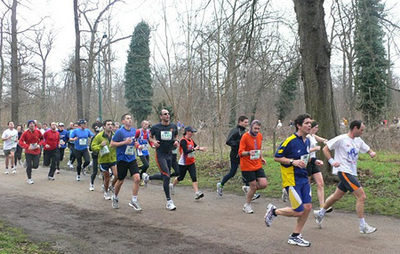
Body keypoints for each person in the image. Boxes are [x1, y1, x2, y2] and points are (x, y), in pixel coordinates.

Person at [265, 113, 323, 247]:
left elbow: (305, 156)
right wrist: (292, 161)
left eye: (310, 123)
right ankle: (274, 211)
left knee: (307, 207)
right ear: (298, 125)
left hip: (304, 178)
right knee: (299, 210)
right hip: (291, 179)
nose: (309, 125)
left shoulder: (307, 140)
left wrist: (314, 160)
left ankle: (295, 236)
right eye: (306, 123)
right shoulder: (290, 141)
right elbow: (277, 157)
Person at [314, 120, 377, 234]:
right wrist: (332, 161)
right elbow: (325, 148)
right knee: (361, 196)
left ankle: (320, 213)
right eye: (361, 130)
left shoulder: (358, 141)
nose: (362, 132)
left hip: (351, 172)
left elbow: (367, 148)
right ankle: (362, 226)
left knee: (337, 196)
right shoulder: (341, 139)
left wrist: (371, 153)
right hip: (343, 171)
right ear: (355, 128)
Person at [217, 116, 259, 200]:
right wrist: (239, 143)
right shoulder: (235, 131)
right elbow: (228, 141)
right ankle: (220, 184)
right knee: (232, 172)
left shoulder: (245, 132)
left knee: (246, 171)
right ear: (240, 122)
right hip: (235, 155)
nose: (247, 124)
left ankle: (248, 190)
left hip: (244, 155)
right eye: (245, 122)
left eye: (247, 122)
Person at [145, 109, 179, 211]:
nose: (167, 115)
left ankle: (148, 177)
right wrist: (154, 141)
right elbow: (149, 137)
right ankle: (169, 201)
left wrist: (176, 141)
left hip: (170, 154)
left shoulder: (173, 126)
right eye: (165, 114)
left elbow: (176, 135)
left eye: (168, 114)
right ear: (161, 116)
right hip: (160, 154)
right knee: (166, 175)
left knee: (166, 175)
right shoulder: (156, 127)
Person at [110, 113, 142, 211]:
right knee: (120, 180)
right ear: (123, 121)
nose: (130, 120)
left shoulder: (134, 131)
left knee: (137, 178)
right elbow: (112, 144)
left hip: (132, 158)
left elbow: (135, 141)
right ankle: (115, 197)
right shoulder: (119, 132)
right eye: (127, 118)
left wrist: (137, 145)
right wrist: (124, 142)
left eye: (130, 118)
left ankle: (134, 200)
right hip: (122, 159)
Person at [238, 120, 268, 214]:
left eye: (258, 129)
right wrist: (248, 153)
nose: (256, 131)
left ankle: (249, 190)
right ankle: (247, 205)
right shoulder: (245, 137)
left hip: (257, 164)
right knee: (254, 186)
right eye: (255, 128)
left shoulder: (259, 136)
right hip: (247, 166)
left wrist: (261, 157)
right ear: (251, 127)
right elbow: (240, 153)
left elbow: (258, 149)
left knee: (263, 184)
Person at [171, 126, 206, 200]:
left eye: (193, 132)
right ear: (187, 132)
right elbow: (186, 151)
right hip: (183, 163)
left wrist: (201, 148)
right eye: (191, 132)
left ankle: (197, 193)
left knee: (194, 177)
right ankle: (172, 185)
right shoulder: (183, 141)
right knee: (181, 177)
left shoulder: (191, 140)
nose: (192, 133)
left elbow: (196, 147)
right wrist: (194, 149)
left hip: (191, 162)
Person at [305, 120, 332, 211]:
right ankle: (306, 202)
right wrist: (314, 149)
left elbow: (320, 139)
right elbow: (304, 151)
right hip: (307, 161)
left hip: (314, 162)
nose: (317, 129)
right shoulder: (307, 137)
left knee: (320, 183)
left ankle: (322, 206)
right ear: (311, 128)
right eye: (316, 127)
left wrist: (326, 141)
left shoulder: (313, 136)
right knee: (307, 183)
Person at [91, 120, 117, 200]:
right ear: (104, 126)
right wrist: (100, 145)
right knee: (107, 178)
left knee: (117, 175)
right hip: (103, 160)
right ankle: (106, 192)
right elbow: (92, 147)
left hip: (113, 158)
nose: (110, 126)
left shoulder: (115, 135)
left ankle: (112, 186)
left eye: (111, 124)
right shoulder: (99, 136)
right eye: (108, 124)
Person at [18, 120, 43, 184]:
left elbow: (42, 139)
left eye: (33, 124)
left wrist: (39, 145)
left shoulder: (38, 132)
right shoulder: (25, 133)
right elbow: (20, 142)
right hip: (28, 151)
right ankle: (29, 178)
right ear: (28, 125)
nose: (32, 125)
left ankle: (28, 165)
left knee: (36, 165)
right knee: (29, 166)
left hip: (36, 151)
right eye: (30, 124)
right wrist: (27, 146)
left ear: (35, 125)